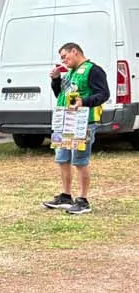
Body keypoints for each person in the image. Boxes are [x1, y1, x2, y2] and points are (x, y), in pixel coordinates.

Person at [43, 40, 111, 215]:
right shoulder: (71, 72)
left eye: (65, 57)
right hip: (64, 121)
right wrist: (56, 80)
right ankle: (66, 196)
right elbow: (62, 95)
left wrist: (84, 102)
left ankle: (83, 200)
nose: (64, 61)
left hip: (83, 122)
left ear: (75, 51)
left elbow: (103, 94)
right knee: (62, 158)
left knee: (80, 160)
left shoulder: (93, 70)